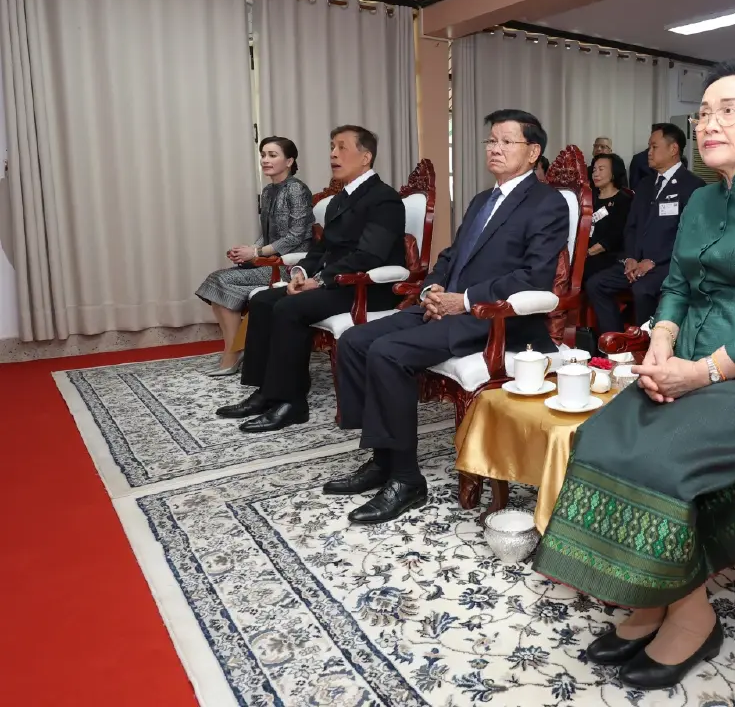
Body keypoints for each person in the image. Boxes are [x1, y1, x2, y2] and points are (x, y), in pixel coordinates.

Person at [534, 60, 735, 690]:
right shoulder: (702, 200)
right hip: (689, 360)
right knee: (599, 435)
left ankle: (693, 615)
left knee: (661, 460)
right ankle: (653, 593)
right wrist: (661, 346)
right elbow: (675, 286)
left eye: (730, 110)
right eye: (703, 112)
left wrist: (700, 374)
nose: (709, 122)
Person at [322, 110, 568, 524]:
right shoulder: (481, 199)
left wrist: (465, 299)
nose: (495, 148)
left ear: (533, 152)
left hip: (497, 320)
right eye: (491, 140)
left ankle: (405, 479)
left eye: (507, 141)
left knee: (388, 351)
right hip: (448, 306)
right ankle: (383, 458)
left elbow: (534, 276)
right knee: (354, 341)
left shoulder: (547, 203)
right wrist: (432, 288)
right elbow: (452, 256)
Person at [215, 126, 408, 433]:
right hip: (334, 282)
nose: (333, 154)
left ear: (365, 156)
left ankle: (292, 403)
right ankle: (267, 391)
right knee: (264, 300)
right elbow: (320, 248)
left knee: (290, 308)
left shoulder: (384, 199)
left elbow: (369, 256)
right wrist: (301, 272)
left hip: (368, 288)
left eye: (342, 148)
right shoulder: (339, 199)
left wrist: (322, 280)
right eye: (332, 147)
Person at [196, 137, 313, 376]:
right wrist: (247, 251)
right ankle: (235, 349)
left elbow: (297, 235)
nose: (265, 160)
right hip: (269, 260)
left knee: (222, 280)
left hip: (291, 266)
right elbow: (268, 234)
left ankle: (233, 353)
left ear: (289, 161)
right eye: (263, 155)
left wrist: (258, 253)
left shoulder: (297, 189)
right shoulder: (269, 191)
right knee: (215, 281)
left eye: (272, 155)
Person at [585, 123, 703, 335]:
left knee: (642, 289)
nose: (648, 152)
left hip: (669, 264)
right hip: (635, 263)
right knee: (596, 284)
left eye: (654, 147)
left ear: (673, 149)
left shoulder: (692, 186)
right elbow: (631, 226)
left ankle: (646, 346)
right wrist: (630, 257)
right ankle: (618, 345)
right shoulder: (645, 184)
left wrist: (654, 261)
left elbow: (690, 235)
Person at [584, 153, 633, 283]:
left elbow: (614, 237)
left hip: (608, 256)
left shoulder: (624, 200)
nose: (595, 174)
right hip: (585, 253)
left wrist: (586, 253)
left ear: (613, 173)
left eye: (601, 169)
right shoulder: (589, 198)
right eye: (594, 170)